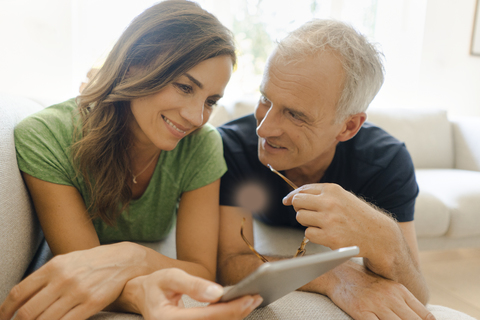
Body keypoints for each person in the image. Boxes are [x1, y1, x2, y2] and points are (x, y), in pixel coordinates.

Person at [0, 1, 262, 319]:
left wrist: (133, 257)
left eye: (211, 101)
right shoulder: (45, 136)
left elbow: (201, 270)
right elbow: (86, 272)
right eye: (183, 87)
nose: (196, 117)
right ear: (133, 65)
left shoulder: (201, 144)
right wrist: (140, 295)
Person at [217, 19, 436, 320]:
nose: (264, 128)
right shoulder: (230, 147)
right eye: (266, 98)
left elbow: (417, 294)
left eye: (295, 115)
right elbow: (229, 260)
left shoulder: (385, 162)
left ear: (348, 126)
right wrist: (336, 276)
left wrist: (387, 236)